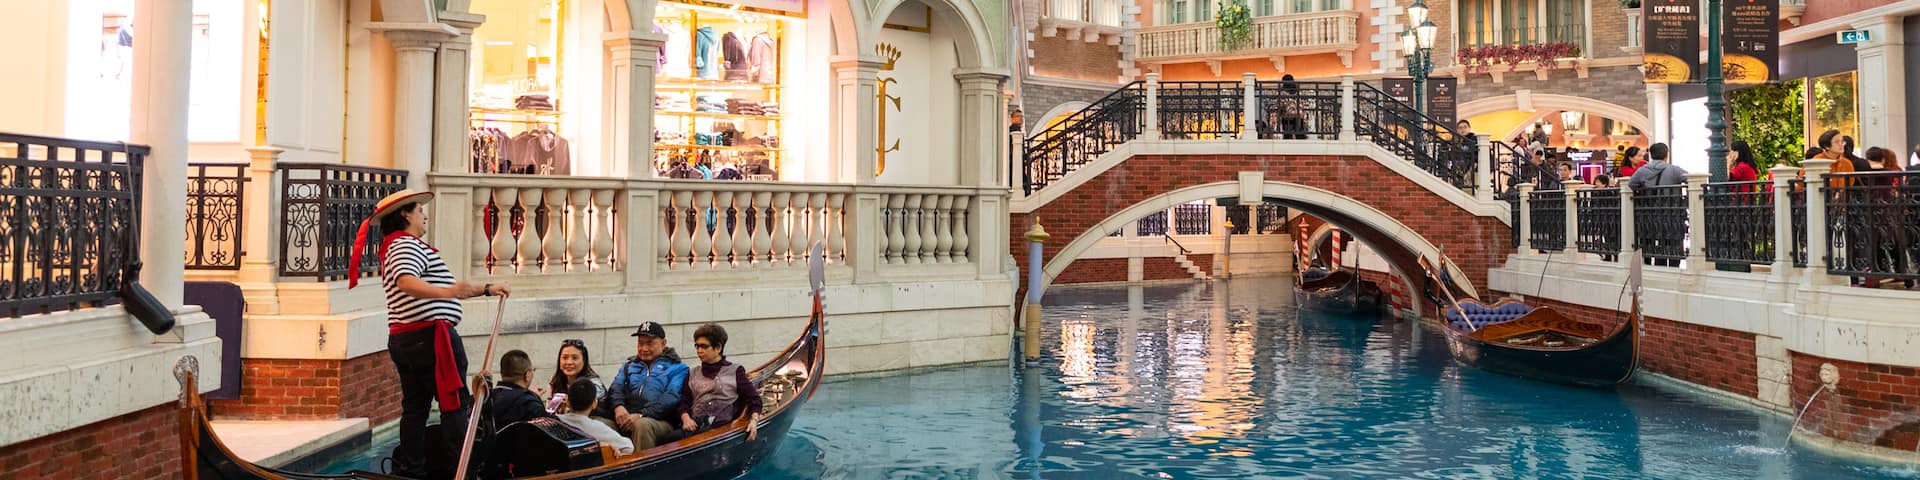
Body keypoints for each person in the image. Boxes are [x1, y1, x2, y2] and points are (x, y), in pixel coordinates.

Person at [350, 189, 509, 478]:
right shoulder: (405, 246)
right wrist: (447, 292)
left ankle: (413, 471)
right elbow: (406, 282)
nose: (424, 216)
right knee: (454, 405)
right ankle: (462, 471)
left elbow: (453, 287)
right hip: (430, 340)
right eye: (420, 211)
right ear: (406, 215)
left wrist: (485, 289)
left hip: (407, 338)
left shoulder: (397, 246)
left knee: (415, 408)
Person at [673, 324, 764, 441]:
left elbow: (754, 399)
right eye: (697, 346)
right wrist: (685, 418)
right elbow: (684, 402)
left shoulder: (735, 371)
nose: (699, 351)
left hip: (723, 428)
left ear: (718, 348)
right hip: (695, 426)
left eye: (704, 346)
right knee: (668, 439)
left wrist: (754, 421)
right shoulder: (692, 373)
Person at [608, 321, 689, 451]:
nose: (644, 349)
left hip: (659, 421)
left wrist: (642, 414)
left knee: (642, 425)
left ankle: (640, 469)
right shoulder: (628, 366)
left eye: (650, 343)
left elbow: (671, 397)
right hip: (627, 415)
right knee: (598, 422)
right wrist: (618, 407)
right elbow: (616, 387)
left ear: (663, 344)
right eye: (640, 343)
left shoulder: (678, 368)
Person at [556, 379, 634, 455]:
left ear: (568, 402)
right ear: (594, 404)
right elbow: (628, 447)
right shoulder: (598, 427)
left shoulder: (555, 421)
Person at [544, 339, 608, 424]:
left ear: (584, 361)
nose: (569, 362)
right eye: (565, 357)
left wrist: (569, 404)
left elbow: (583, 409)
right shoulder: (554, 383)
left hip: (594, 424)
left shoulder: (593, 384)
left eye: (575, 358)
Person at [485, 350, 553, 428]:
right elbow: (552, 429)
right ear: (527, 375)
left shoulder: (484, 399)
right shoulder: (529, 404)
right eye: (532, 370)